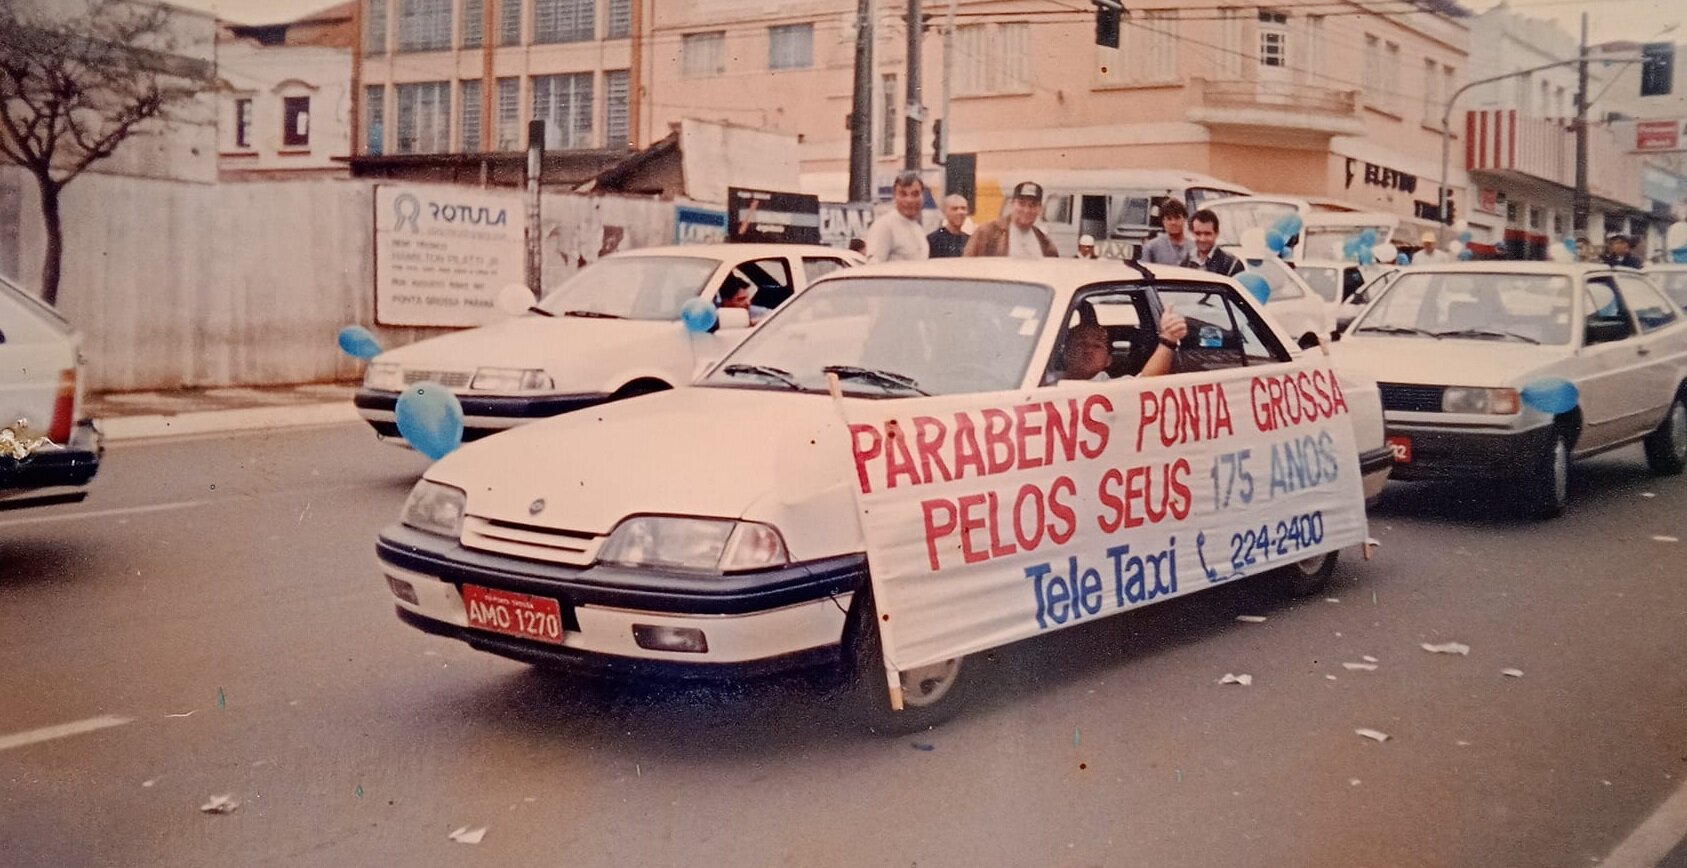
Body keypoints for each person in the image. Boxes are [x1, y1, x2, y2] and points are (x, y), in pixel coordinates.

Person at [1062, 309, 1189, 381]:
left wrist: (1168, 339)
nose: (1088, 349)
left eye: (1097, 346)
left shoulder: (1110, 386)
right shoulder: (1045, 378)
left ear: (1108, 360)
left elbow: (1146, 383)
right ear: (1066, 351)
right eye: (1081, 343)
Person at [963, 181, 1060, 258]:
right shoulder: (987, 232)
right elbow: (968, 266)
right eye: (1021, 204)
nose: (1026, 210)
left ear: (1040, 209)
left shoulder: (1044, 240)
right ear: (1012, 204)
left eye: (1033, 205)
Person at [864, 170, 930, 263]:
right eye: (903, 194)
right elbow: (874, 268)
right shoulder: (884, 226)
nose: (909, 200)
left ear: (923, 196)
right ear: (894, 196)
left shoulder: (918, 228)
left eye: (915, 194)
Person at [1181, 209, 1243, 277]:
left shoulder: (1232, 265)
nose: (1202, 239)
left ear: (1216, 233)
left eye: (1207, 234)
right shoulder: (1185, 262)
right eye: (1198, 233)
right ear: (1192, 233)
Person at [1140, 199, 1191, 265]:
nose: (1173, 222)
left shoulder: (1194, 247)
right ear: (1163, 221)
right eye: (1169, 219)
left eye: (1177, 218)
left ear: (1185, 219)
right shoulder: (1151, 247)